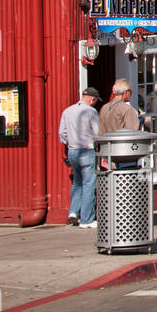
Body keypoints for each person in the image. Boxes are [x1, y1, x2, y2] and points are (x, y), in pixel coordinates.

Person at [58, 87, 101, 228]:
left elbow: (62, 133)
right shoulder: (91, 111)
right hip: (87, 150)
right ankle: (86, 219)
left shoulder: (67, 111)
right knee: (89, 184)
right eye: (95, 101)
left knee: (77, 182)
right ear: (92, 99)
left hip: (72, 150)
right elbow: (97, 133)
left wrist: (70, 141)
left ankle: (73, 212)